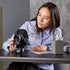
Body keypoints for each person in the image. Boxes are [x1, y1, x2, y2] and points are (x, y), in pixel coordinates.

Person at [3, 2, 62, 70]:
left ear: (52, 20)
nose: (40, 20)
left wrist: (47, 48)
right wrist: (10, 48)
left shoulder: (57, 32)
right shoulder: (28, 26)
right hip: (23, 64)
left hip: (43, 67)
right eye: (39, 15)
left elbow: (59, 52)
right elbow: (6, 44)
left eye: (46, 18)